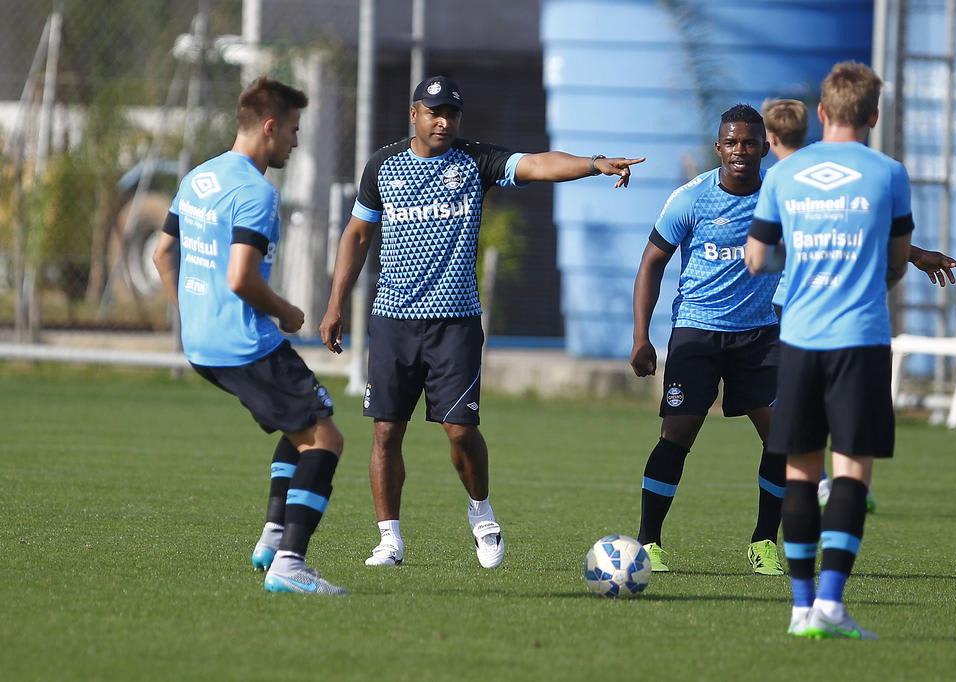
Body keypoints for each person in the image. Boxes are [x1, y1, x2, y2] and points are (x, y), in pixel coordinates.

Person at [319, 75, 644, 569]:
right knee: (386, 431)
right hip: (392, 321)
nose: (443, 121)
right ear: (414, 115)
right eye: (434, 113)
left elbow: (536, 164)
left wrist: (593, 164)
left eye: (451, 113)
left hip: (456, 324)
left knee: (459, 431)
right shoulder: (382, 167)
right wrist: (335, 303)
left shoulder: (475, 161)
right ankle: (389, 538)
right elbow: (358, 234)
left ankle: (482, 514)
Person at [152, 77, 347, 595]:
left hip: (202, 345)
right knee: (325, 440)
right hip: (244, 344)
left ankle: (271, 537)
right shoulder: (256, 193)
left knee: (301, 423)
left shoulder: (199, 177)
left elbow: (161, 254)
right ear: (269, 127)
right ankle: (290, 566)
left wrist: (192, 314)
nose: (296, 142)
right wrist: (287, 311)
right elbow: (241, 277)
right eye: (293, 130)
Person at [746, 61, 915, 639]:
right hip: (861, 339)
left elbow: (757, 258)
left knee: (799, 472)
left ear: (821, 113)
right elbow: (898, 260)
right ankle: (833, 608)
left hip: (798, 338)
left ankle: (799, 610)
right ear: (871, 115)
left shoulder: (786, 175)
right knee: (851, 473)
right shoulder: (889, 173)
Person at [763, 98, 956, 512]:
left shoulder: (804, 176)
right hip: (797, 306)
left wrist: (917, 254)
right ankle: (824, 480)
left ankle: (839, 479)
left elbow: (852, 229)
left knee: (823, 401)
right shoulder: (785, 179)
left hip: (818, 309)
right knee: (809, 403)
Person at [631, 104, 787, 576]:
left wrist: (915, 253)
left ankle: (764, 543)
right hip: (697, 332)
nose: (741, 151)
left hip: (759, 335)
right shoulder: (691, 198)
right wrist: (642, 336)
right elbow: (651, 263)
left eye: (750, 143)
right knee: (677, 435)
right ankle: (649, 542)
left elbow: (839, 234)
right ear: (719, 147)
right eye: (732, 142)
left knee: (782, 439)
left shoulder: (781, 197)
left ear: (764, 147)